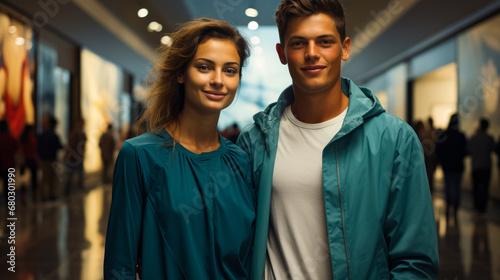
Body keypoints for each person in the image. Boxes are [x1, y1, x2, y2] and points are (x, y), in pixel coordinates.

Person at [237, 0, 439, 279]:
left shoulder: (395, 140)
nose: (311, 53)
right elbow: (237, 244)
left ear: (344, 48)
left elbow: (416, 262)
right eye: (298, 43)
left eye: (324, 42)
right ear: (282, 53)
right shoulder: (254, 141)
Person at [104, 18, 255, 279]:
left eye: (230, 70)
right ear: (181, 73)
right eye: (205, 67)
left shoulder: (241, 161)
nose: (218, 80)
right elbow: (120, 265)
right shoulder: (140, 156)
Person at [436, 113, 467, 224]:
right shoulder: (461, 136)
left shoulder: (444, 135)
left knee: (448, 186)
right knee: (456, 187)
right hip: (458, 166)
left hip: (447, 165)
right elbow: (465, 151)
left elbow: (439, 150)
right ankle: (455, 208)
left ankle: (449, 205)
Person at [467, 118, 495, 213]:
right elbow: (493, 149)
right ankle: (483, 207)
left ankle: (476, 205)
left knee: (476, 187)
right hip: (486, 166)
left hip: (476, 166)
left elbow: (469, 150)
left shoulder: (474, 138)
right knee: (485, 187)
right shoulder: (489, 138)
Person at [38, 114, 63, 201]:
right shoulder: (54, 135)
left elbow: (39, 147)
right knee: (52, 179)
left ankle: (44, 196)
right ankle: (51, 194)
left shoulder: (42, 135)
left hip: (44, 159)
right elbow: (59, 146)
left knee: (45, 179)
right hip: (51, 159)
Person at [64, 118, 87, 194]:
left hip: (77, 156)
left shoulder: (80, 133)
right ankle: (69, 190)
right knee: (71, 175)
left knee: (77, 174)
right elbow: (72, 145)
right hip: (74, 157)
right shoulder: (76, 133)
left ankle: (73, 189)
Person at [0, 120, 19, 205]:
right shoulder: (10, 138)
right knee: (9, 186)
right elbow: (16, 149)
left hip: (1, 164)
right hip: (10, 164)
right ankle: (10, 204)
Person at [19, 124, 38, 202]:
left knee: (23, 180)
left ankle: (23, 197)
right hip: (32, 161)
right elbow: (34, 151)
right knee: (33, 180)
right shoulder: (32, 140)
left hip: (23, 161)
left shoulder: (21, 139)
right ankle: (34, 197)